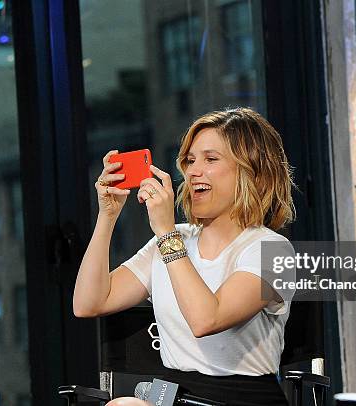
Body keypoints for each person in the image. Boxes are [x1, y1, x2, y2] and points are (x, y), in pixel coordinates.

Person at [74, 108, 296, 406]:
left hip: (240, 398)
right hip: (175, 396)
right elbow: (89, 302)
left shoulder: (272, 249)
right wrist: (108, 216)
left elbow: (206, 320)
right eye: (190, 161)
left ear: (252, 171)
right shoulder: (174, 239)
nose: (193, 171)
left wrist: (166, 233)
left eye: (210, 159)